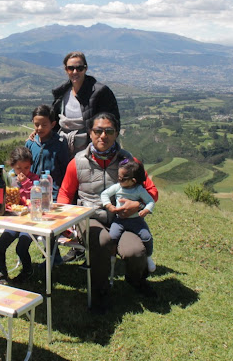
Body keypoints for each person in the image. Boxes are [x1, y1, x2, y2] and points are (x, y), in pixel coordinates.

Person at [57, 112, 159, 314]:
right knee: (102, 242)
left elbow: (151, 192)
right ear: (90, 133)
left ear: (117, 133)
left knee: (134, 252)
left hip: (124, 220)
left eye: (109, 131)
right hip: (90, 218)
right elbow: (65, 193)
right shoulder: (77, 162)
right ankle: (100, 293)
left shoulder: (130, 161)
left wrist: (137, 205)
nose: (103, 136)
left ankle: (135, 279)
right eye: (98, 131)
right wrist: (65, 222)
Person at [51, 51, 120, 157]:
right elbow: (53, 122)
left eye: (79, 68)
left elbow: (114, 123)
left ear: (85, 69)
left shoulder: (100, 92)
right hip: (63, 149)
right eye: (71, 68)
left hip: (91, 151)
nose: (75, 72)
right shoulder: (62, 93)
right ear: (66, 70)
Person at [0, 147, 40, 285]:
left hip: (29, 221)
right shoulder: (9, 179)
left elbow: (35, 195)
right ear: (12, 166)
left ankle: (27, 270)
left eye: (26, 167)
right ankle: (2, 274)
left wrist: (25, 183)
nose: (23, 172)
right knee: (0, 246)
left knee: (21, 246)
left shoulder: (34, 179)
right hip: (15, 219)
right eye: (19, 168)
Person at [101, 160, 156, 273]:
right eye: (118, 177)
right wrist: (109, 206)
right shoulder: (118, 187)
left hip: (136, 220)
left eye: (122, 179)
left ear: (133, 181)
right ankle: (110, 258)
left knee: (147, 237)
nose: (119, 180)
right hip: (119, 220)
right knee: (111, 238)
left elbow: (150, 201)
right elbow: (105, 194)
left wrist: (146, 210)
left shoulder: (140, 190)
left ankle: (148, 257)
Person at [25, 104, 71, 200]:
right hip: (31, 191)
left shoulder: (60, 143)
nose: (40, 128)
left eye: (44, 125)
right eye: (37, 125)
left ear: (53, 124)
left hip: (52, 195)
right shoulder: (30, 143)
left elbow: (65, 170)